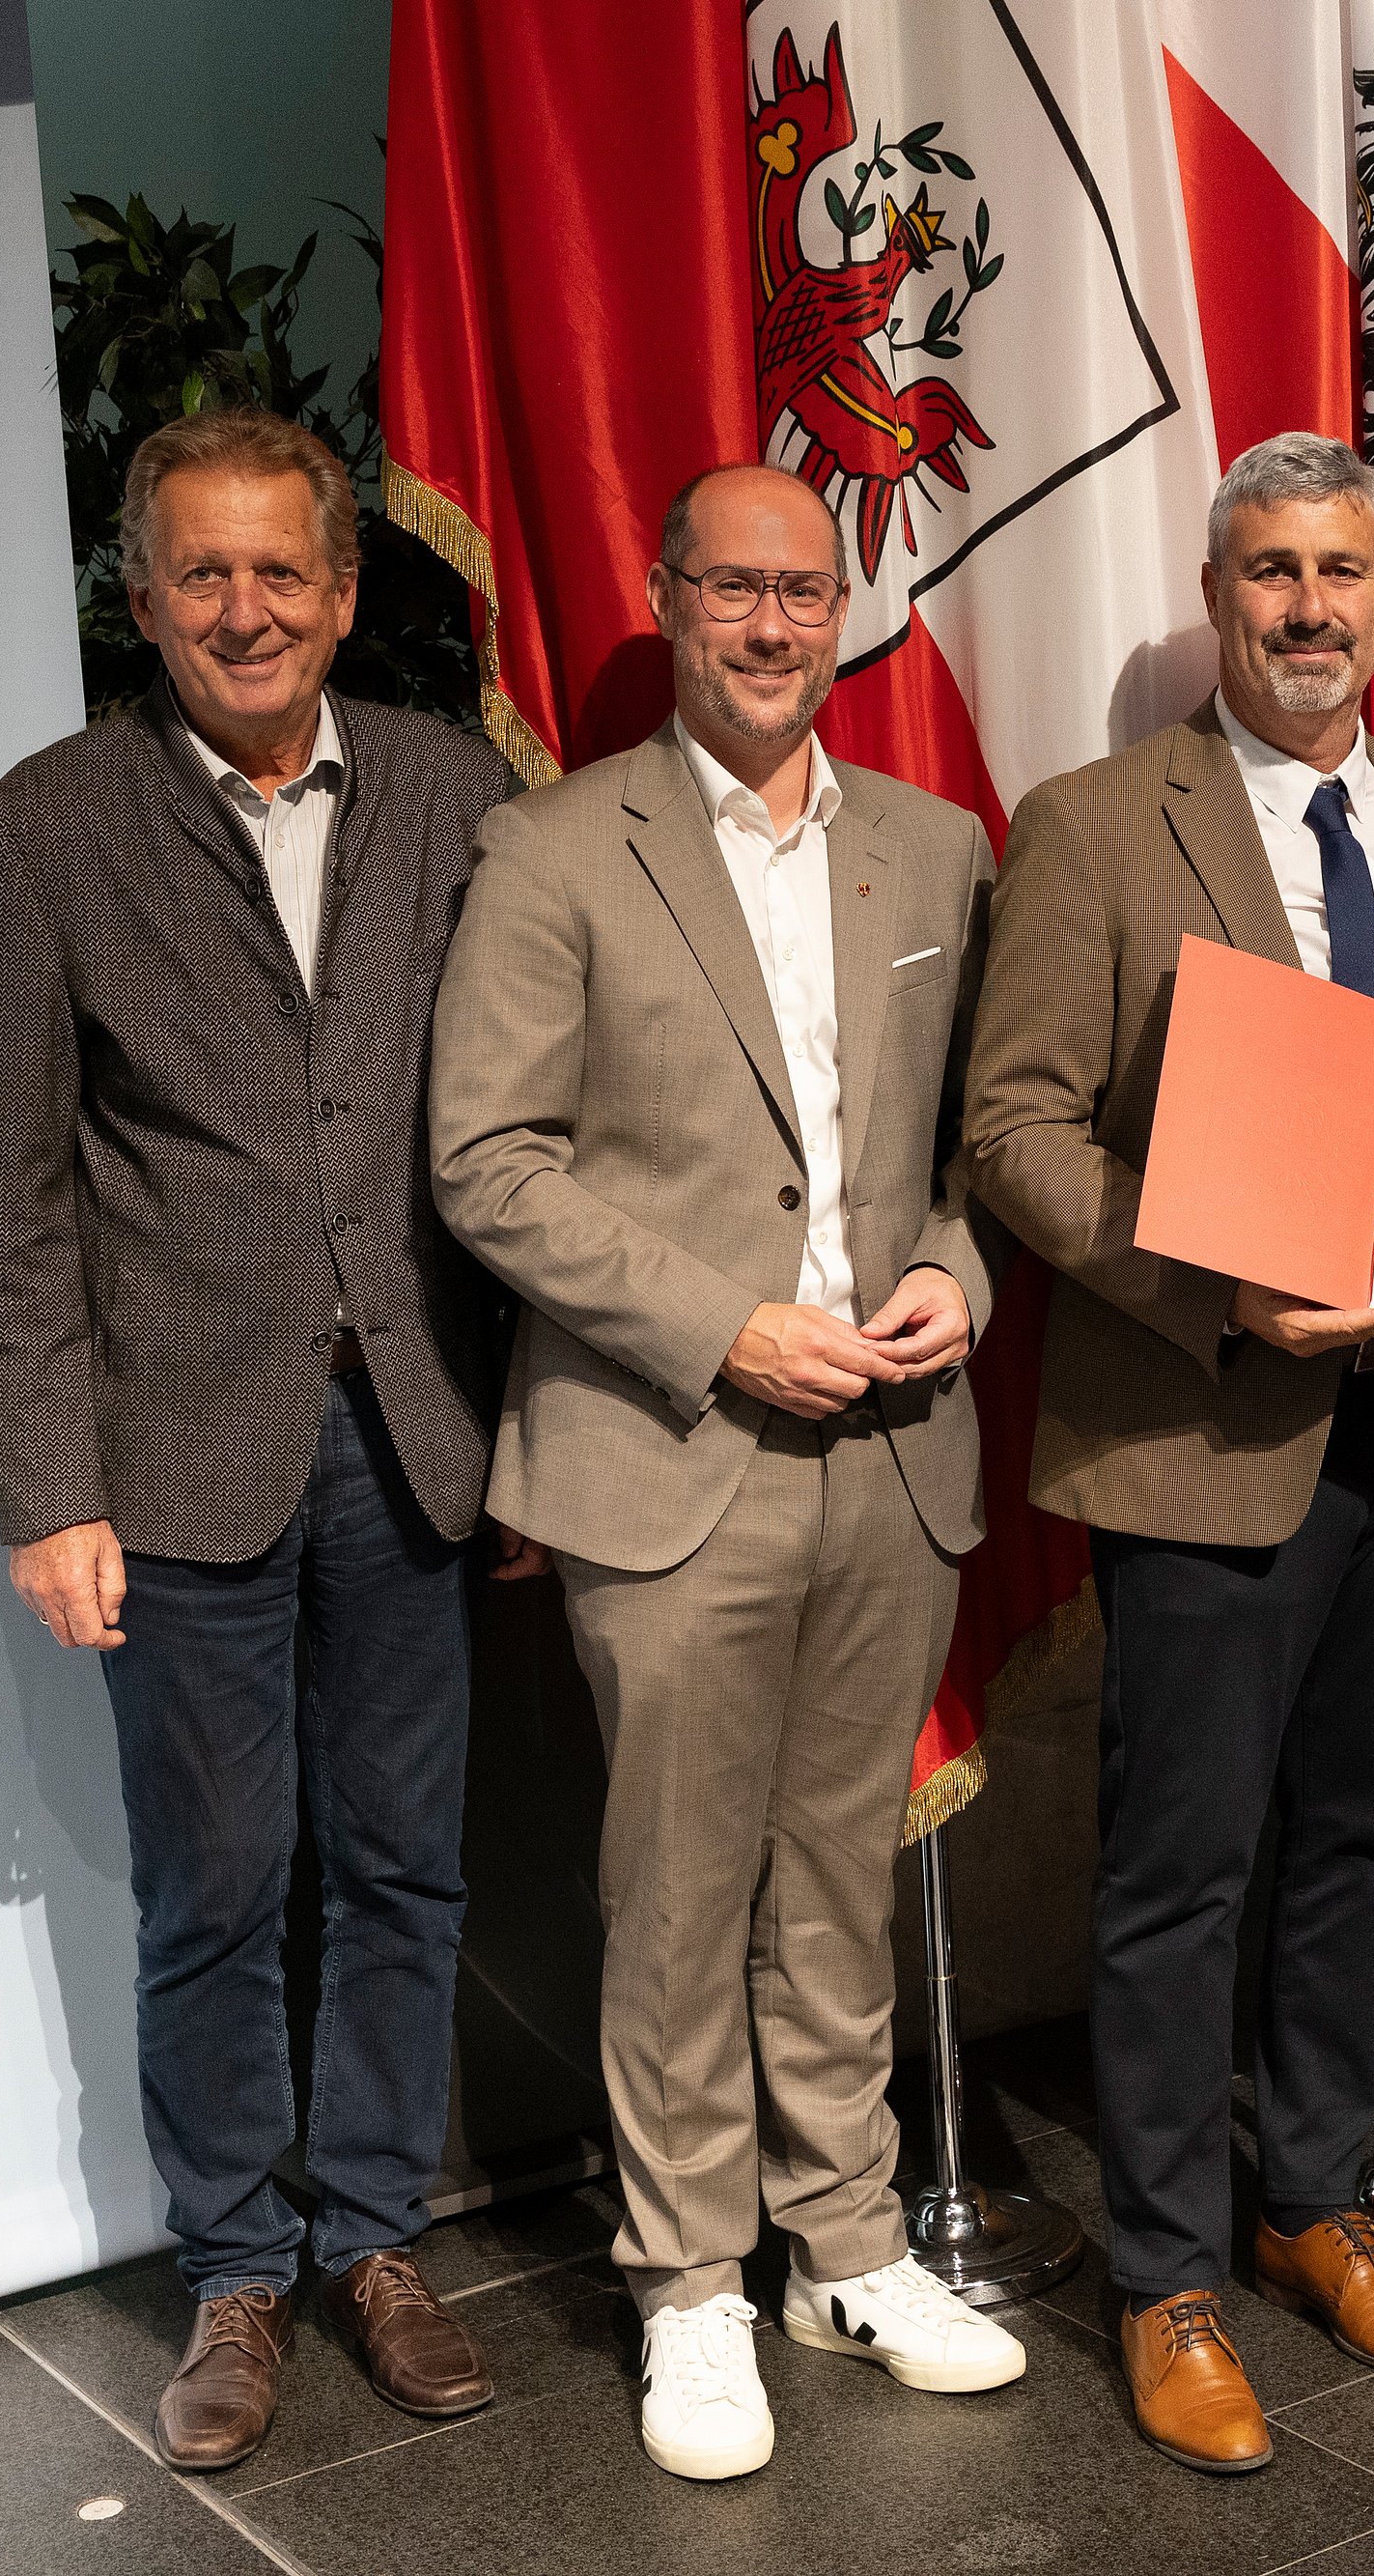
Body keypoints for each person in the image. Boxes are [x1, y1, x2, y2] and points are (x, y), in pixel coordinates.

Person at [967, 431, 1374, 2475]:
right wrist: (1216, 1289)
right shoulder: (1093, 824)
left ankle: (1307, 2199)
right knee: (1181, 1867)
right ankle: (1162, 2273)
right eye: (1270, 573)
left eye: (1341, 571)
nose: (1310, 608)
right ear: (1215, 599)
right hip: (1209, 1412)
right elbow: (1014, 1126)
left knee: (1363, 1832)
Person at [425, 463, 1023, 2483]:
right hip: (673, 1441)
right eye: (732, 589)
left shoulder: (935, 847)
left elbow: (987, 1141)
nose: (771, 625)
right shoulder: (550, 845)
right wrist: (724, 1325)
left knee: (839, 1867)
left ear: (841, 612)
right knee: (677, 1891)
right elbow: (486, 1161)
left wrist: (955, 1275)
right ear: (667, 599)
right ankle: (688, 2279)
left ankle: (844, 2241)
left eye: (803, 591)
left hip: (894, 1446)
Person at [0, 410, 525, 2471]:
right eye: (202, 571)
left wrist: (531, 1429)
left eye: (282, 569)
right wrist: (50, 1487)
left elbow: (523, 1124)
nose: (245, 608)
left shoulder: (457, 792)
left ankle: (373, 2236)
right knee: (213, 1890)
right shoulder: (44, 827)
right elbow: (12, 1194)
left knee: (404, 1868)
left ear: (346, 593)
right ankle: (234, 2267)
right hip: (177, 1453)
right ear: (142, 596)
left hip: (418, 1430)